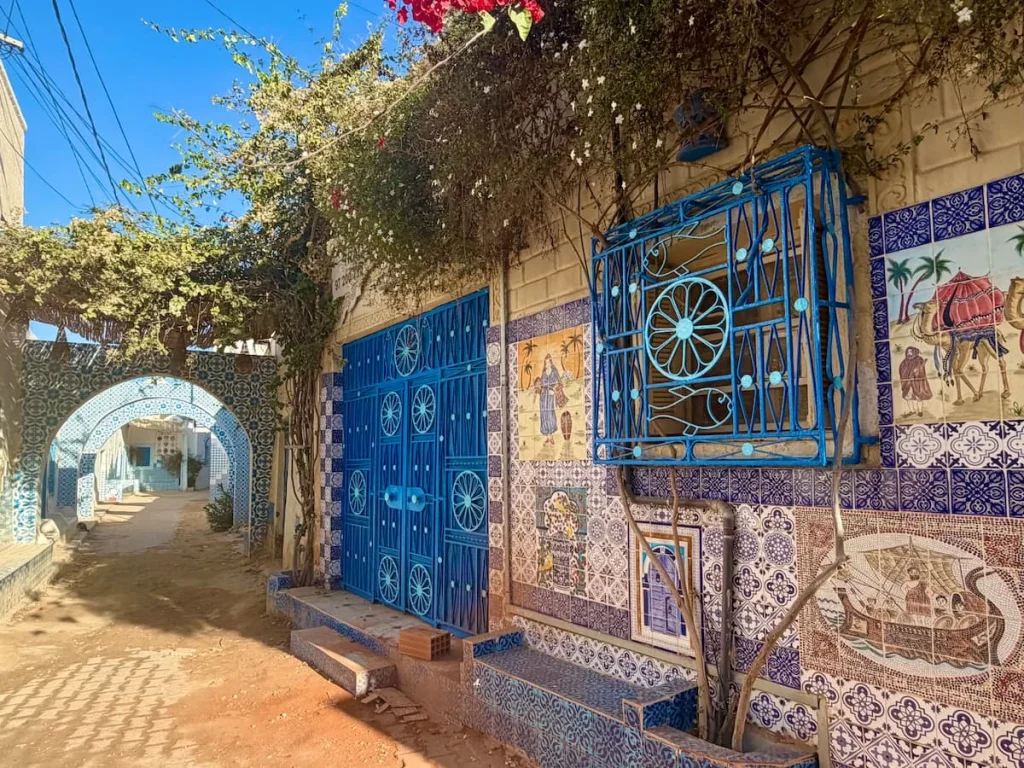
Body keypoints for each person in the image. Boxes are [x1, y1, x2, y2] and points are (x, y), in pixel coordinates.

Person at [899, 346, 933, 417]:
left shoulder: (919, 360)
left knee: (918, 396)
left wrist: (917, 370)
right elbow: (902, 370)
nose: (909, 353)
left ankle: (920, 411)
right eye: (908, 352)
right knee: (908, 396)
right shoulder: (904, 361)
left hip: (916, 382)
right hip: (908, 383)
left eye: (911, 352)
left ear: (914, 352)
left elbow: (920, 370)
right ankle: (912, 410)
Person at [536, 354, 561, 446]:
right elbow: (540, 384)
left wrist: (554, 391)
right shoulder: (543, 373)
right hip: (543, 397)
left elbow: (559, 383)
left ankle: (550, 436)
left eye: (548, 362)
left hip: (550, 395)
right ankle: (548, 436)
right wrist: (539, 389)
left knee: (550, 413)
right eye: (545, 362)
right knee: (544, 414)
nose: (547, 364)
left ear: (551, 362)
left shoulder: (554, 372)